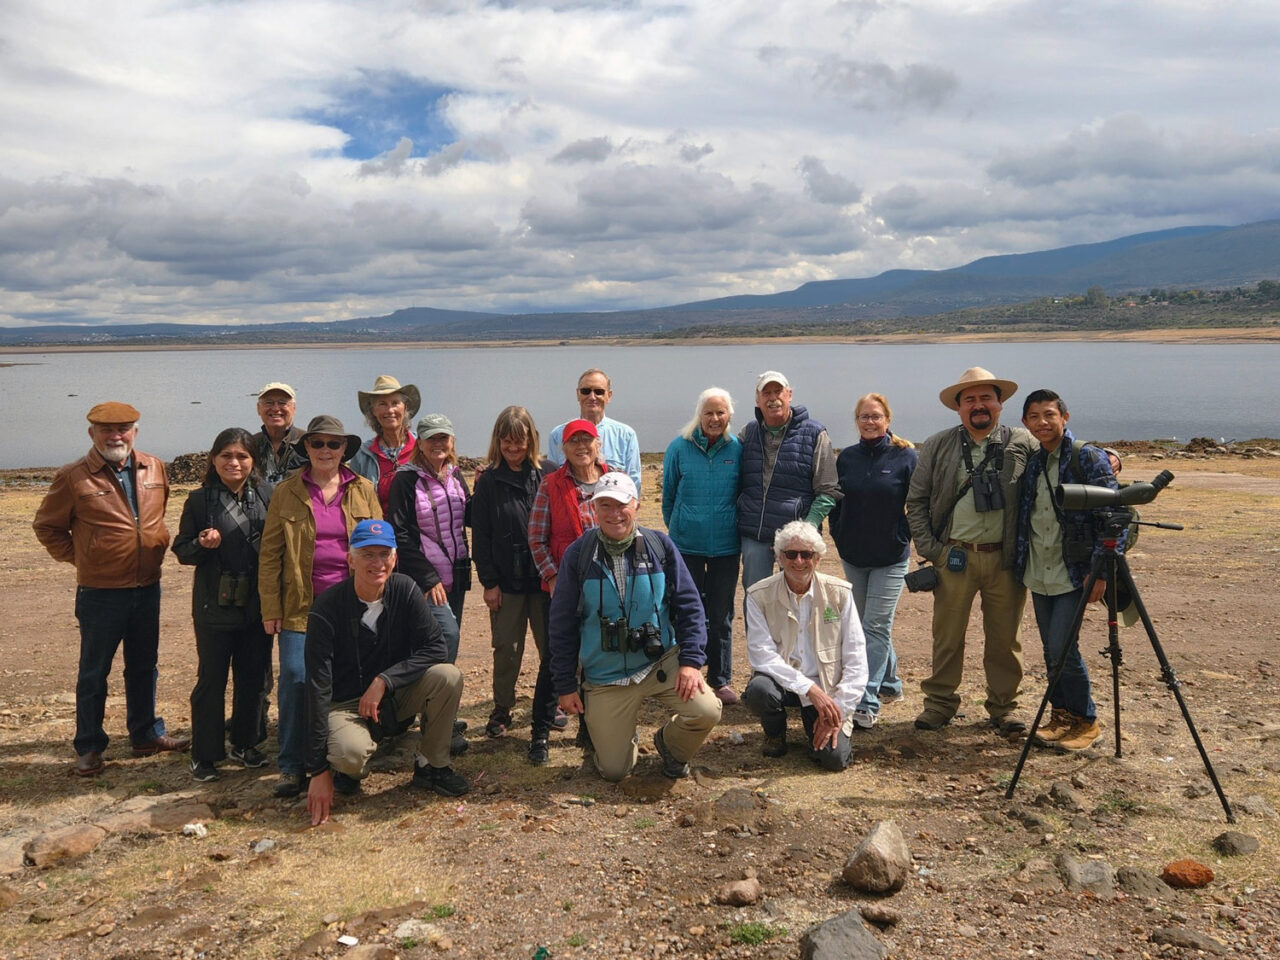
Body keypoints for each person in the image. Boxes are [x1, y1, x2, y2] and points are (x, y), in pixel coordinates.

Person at [34, 401, 189, 776]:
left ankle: (145, 734)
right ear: (92, 434)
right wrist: (84, 559)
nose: (115, 435)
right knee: (94, 671)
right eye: (106, 429)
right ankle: (89, 746)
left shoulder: (154, 467)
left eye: (123, 428)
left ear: (135, 431)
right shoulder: (73, 476)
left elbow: (156, 516)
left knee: (143, 666)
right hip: (100, 592)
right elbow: (47, 527)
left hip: (147, 587)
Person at [549, 474, 721, 781]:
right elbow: (561, 624)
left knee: (707, 710)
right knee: (615, 771)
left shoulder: (660, 546)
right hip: (606, 675)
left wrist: (691, 662)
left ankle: (670, 745)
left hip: (660, 663)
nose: (614, 513)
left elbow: (690, 606)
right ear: (594, 510)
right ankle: (613, 737)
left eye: (622, 505)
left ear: (637, 505)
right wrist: (565, 685)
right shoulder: (578, 555)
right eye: (605, 505)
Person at [304, 520, 468, 825]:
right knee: (350, 755)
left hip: (392, 695)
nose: (377, 563)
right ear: (350, 560)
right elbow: (316, 690)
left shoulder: (405, 589)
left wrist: (384, 681)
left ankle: (432, 764)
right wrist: (318, 771)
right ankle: (347, 770)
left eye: (384, 554)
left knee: (447, 676)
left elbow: (436, 647)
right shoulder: (325, 609)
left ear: (395, 558)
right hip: (346, 705)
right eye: (367, 554)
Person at [905, 367, 1036, 734]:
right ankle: (940, 704)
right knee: (947, 637)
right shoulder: (937, 445)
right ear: (959, 408)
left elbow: (1059, 456)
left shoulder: (1023, 442)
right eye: (970, 400)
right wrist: (933, 550)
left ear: (999, 403)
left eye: (985, 398)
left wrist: (1107, 456)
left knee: (1006, 640)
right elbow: (916, 501)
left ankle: (1004, 707)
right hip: (954, 558)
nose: (978, 406)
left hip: (1006, 560)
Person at [259, 415, 380, 797]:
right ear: (306, 448)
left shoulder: (363, 489)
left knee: (349, 681)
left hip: (353, 605)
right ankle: (293, 765)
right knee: (296, 680)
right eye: (317, 444)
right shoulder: (287, 492)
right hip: (300, 606)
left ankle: (345, 763)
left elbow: (380, 548)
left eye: (333, 444)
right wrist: (270, 607)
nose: (325, 451)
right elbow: (270, 554)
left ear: (345, 449)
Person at [1014, 389, 1120, 751]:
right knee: (1050, 650)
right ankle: (1062, 716)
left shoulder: (1087, 457)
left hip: (1075, 573)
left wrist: (1101, 572)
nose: (1042, 423)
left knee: (1062, 648)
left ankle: (1087, 721)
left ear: (1065, 417)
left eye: (1049, 415)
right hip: (1040, 570)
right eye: (1034, 417)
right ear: (1025, 422)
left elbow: (1114, 516)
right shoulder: (1034, 461)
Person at [172, 427, 273, 781]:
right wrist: (202, 543)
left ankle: (246, 743)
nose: (234, 462)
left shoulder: (267, 495)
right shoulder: (199, 501)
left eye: (242, 456)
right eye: (227, 455)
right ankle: (205, 754)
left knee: (255, 679)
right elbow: (182, 550)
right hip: (213, 605)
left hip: (258, 604)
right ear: (214, 459)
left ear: (253, 461)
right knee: (211, 680)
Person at [742, 521, 868, 770]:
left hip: (827, 689)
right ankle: (775, 731)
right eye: (791, 554)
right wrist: (810, 689)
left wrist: (838, 710)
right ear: (779, 557)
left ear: (818, 558)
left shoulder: (840, 593)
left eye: (806, 554)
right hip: (788, 684)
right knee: (759, 690)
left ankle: (817, 730)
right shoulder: (758, 595)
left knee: (834, 761)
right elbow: (761, 655)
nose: (798, 561)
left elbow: (856, 658)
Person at [828, 393, 917, 729]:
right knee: (868, 624)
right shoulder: (847, 458)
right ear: (857, 421)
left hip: (890, 557)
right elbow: (836, 499)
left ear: (887, 420)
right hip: (854, 555)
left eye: (876, 416)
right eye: (864, 416)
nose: (870, 421)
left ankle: (866, 700)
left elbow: (919, 500)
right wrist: (837, 533)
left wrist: (903, 535)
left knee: (873, 627)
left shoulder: (905, 456)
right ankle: (891, 682)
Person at [525, 419, 611, 764]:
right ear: (563, 448)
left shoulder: (611, 479)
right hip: (563, 588)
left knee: (597, 658)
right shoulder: (551, 485)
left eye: (586, 441)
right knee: (556, 660)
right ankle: (540, 734)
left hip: (606, 587)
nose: (581, 447)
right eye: (573, 442)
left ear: (597, 443)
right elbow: (536, 537)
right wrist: (553, 578)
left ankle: (591, 732)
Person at [661, 387, 742, 705]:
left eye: (720, 412)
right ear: (699, 414)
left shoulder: (737, 449)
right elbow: (668, 497)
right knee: (685, 612)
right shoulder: (678, 448)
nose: (714, 418)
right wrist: (679, 528)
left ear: (729, 416)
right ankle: (684, 675)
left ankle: (720, 680)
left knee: (721, 614)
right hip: (686, 546)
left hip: (726, 546)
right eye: (708, 412)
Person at [470, 407, 547, 738]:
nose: (514, 449)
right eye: (507, 443)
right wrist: (489, 583)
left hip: (544, 581)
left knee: (552, 646)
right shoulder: (488, 482)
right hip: (506, 582)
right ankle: (502, 707)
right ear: (497, 442)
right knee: (506, 648)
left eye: (520, 442)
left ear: (531, 440)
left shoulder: (547, 475)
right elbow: (481, 537)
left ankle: (551, 702)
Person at [737, 370, 840, 592]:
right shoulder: (747, 433)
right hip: (756, 534)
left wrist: (807, 527)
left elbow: (828, 490)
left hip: (797, 539)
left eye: (778, 391)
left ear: (789, 395)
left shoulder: (815, 434)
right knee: (756, 599)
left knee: (798, 597)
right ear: (758, 399)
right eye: (767, 393)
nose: (773, 398)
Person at [387, 414, 471, 663]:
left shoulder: (455, 476)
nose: (438, 444)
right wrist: (427, 578)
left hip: (456, 574)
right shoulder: (405, 479)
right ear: (419, 443)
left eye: (443, 437)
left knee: (442, 637)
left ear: (452, 441)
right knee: (447, 635)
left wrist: (486, 487)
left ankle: (437, 696)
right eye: (430, 438)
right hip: (425, 580)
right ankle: (436, 692)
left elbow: (468, 517)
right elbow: (399, 533)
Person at [545, 368, 642, 494]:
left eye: (599, 391)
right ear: (577, 394)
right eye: (585, 391)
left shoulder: (626, 435)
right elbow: (553, 481)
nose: (592, 397)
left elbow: (634, 483)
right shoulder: (558, 435)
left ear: (609, 396)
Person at [350, 375, 421, 511]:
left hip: (421, 528)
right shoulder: (362, 454)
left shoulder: (422, 446)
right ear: (373, 411)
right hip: (379, 529)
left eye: (395, 403)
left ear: (405, 408)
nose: (390, 410)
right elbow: (356, 500)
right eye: (382, 404)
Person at [250, 382, 306, 484]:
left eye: (282, 402)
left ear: (294, 408)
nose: (276, 408)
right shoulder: (250, 444)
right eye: (269, 403)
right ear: (258, 409)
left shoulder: (309, 442)